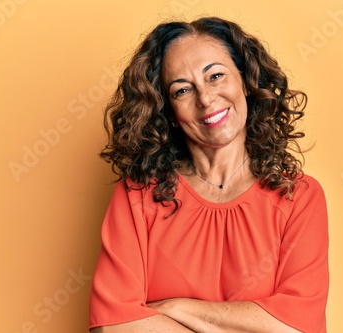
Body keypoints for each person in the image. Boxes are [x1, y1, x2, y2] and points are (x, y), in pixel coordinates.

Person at [89, 16, 329, 333]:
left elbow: (298, 327)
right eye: (183, 90)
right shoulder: (138, 194)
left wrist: (176, 308)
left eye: (215, 76)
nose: (205, 99)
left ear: (246, 81)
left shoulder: (298, 196)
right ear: (170, 114)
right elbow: (113, 327)